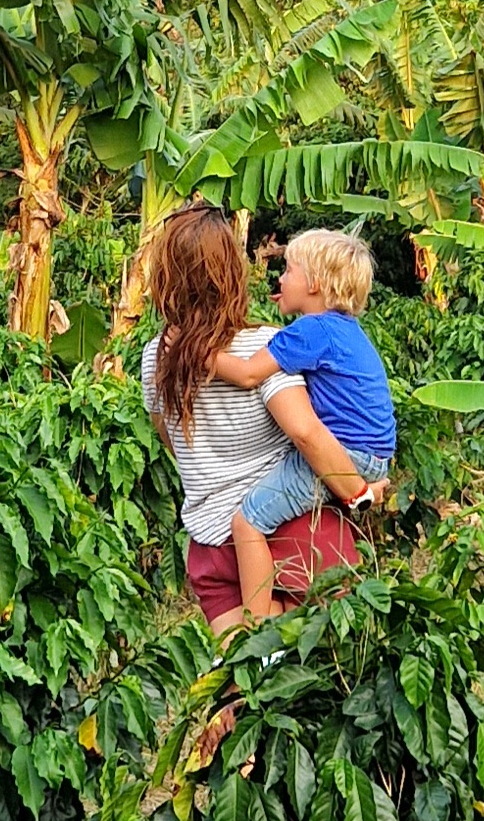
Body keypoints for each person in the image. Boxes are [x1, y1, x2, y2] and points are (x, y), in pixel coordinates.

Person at [139, 202, 370, 630]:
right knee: (326, 673)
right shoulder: (264, 346)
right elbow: (305, 431)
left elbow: (171, 440)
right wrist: (360, 491)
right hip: (295, 533)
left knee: (241, 682)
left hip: (210, 545)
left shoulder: (156, 355)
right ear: (232, 273)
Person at [211, 228, 394, 622]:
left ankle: (255, 636)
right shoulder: (345, 331)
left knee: (248, 521)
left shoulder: (310, 331)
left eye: (288, 270)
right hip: (374, 457)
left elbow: (246, 374)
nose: (280, 278)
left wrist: (199, 356)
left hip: (344, 455)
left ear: (314, 283)